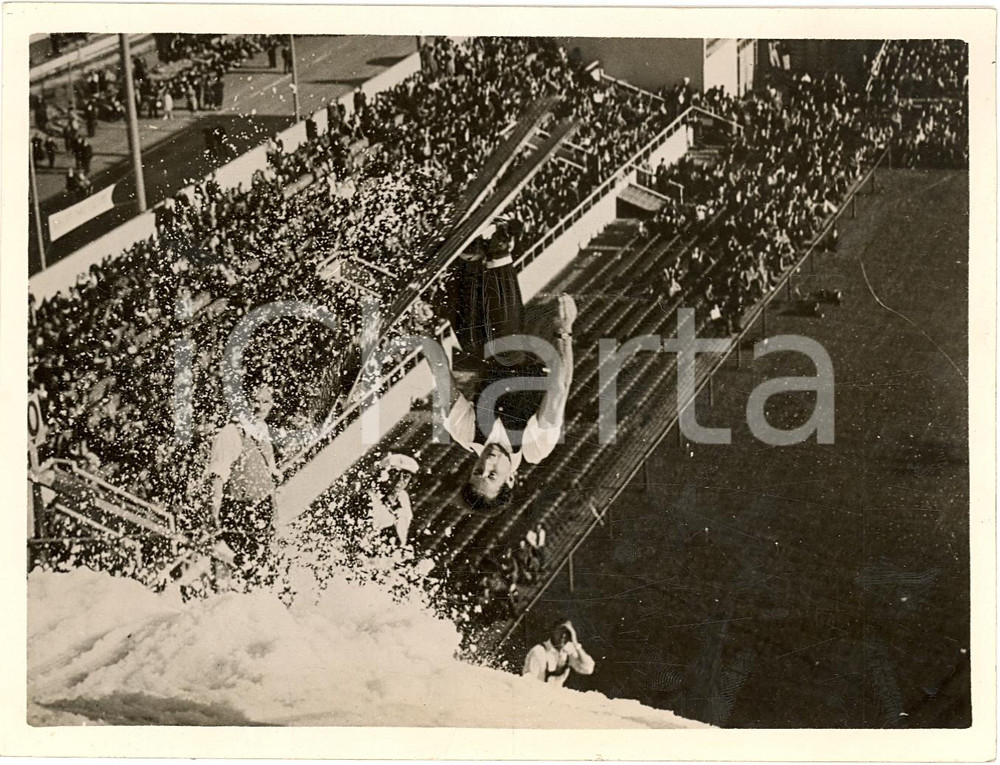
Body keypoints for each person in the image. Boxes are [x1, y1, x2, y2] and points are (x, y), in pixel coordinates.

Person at [438, 222, 577, 510]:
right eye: (492, 474)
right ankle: (500, 251)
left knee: (471, 345)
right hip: (540, 346)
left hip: (499, 339)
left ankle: (471, 260)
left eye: (478, 471)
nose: (487, 462)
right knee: (506, 353)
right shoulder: (535, 447)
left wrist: (424, 330)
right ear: (511, 479)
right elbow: (560, 385)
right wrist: (564, 330)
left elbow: (441, 374)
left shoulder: (464, 434)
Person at [204, 385, 281, 575]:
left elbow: (269, 475)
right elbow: (217, 475)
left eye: (265, 402)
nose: (260, 407)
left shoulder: (263, 432)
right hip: (239, 511)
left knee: (264, 569)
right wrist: (214, 513)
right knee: (245, 568)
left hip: (263, 510)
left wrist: (275, 516)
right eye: (255, 401)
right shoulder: (231, 432)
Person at [522, 618, 595, 686]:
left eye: (567, 632)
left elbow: (588, 669)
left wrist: (576, 643)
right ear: (553, 631)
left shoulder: (568, 651)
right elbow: (529, 682)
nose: (563, 635)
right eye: (560, 631)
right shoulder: (539, 651)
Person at [366, 452, 419, 547]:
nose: (400, 479)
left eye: (406, 476)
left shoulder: (403, 499)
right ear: (383, 475)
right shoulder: (370, 498)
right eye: (395, 473)